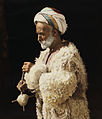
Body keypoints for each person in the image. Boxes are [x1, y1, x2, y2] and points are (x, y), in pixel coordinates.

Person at [17, 7, 90, 119]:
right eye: (37, 34)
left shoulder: (68, 56)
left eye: (42, 34)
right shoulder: (45, 54)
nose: (38, 38)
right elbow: (42, 88)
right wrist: (28, 87)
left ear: (55, 33)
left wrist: (35, 70)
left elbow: (61, 89)